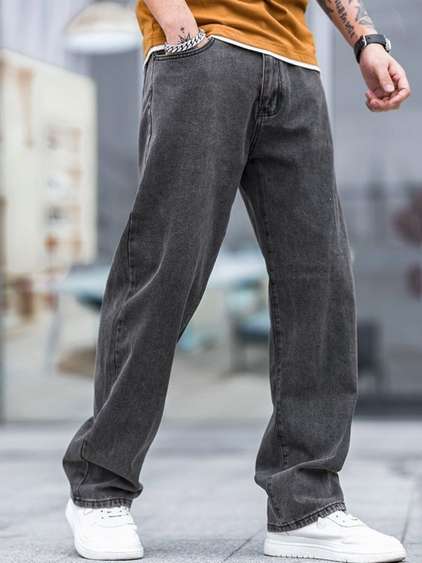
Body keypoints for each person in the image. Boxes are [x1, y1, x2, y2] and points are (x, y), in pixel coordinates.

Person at [62, 0, 411, 561]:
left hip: (295, 64)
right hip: (204, 48)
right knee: (166, 269)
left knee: (320, 282)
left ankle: (305, 505)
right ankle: (100, 488)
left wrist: (366, 40)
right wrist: (180, 28)